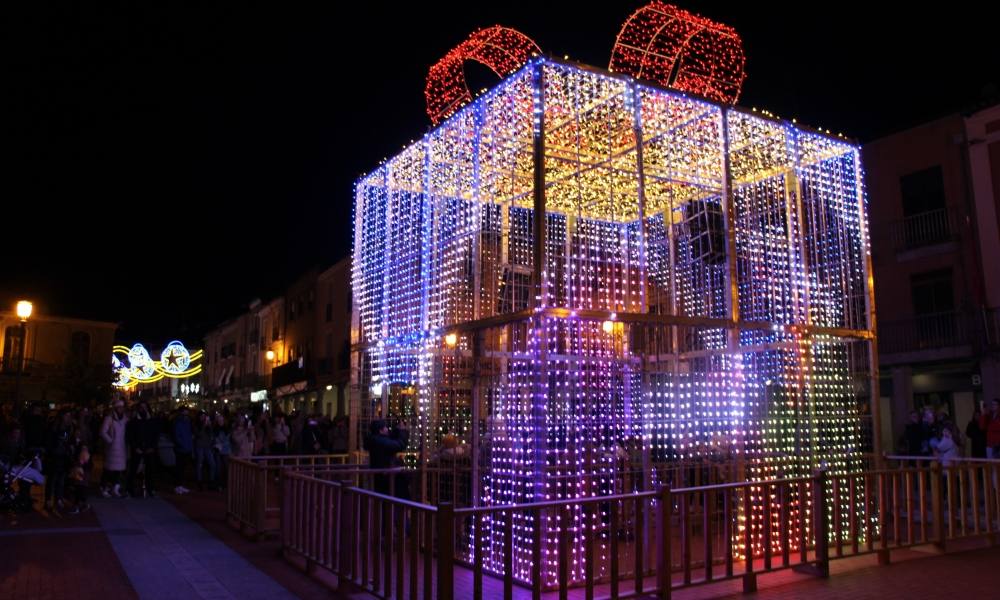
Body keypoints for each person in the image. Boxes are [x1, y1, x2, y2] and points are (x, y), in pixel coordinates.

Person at [365, 419, 409, 497]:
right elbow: (399, 445)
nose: (387, 429)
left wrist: (397, 430)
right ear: (380, 430)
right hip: (386, 476)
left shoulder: (376, 439)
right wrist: (402, 431)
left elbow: (390, 437)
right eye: (385, 427)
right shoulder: (380, 441)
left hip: (383, 474)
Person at [126, 402, 159, 498]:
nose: (143, 409)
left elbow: (155, 435)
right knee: (133, 469)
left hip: (149, 449)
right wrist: (135, 447)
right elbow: (130, 436)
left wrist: (152, 447)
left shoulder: (152, 421)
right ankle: (130, 489)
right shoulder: (133, 422)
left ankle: (150, 488)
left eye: (145, 407)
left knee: (150, 470)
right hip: (137, 449)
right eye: (141, 407)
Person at [100, 399, 129, 498]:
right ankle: (104, 487)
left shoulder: (125, 419)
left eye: (122, 407)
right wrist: (110, 440)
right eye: (119, 407)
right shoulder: (109, 418)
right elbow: (103, 432)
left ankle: (115, 488)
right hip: (112, 448)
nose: (121, 409)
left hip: (122, 448)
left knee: (119, 470)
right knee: (109, 469)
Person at [193, 412, 218, 491]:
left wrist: (209, 425)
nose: (203, 418)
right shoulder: (196, 425)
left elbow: (211, 435)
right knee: (199, 464)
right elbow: (199, 434)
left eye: (205, 417)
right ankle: (199, 481)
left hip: (207, 447)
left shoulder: (208, 425)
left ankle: (211, 480)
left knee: (212, 464)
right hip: (199, 446)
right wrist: (204, 425)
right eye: (202, 416)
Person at [172, 406, 194, 494]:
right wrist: (182, 445)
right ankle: (178, 486)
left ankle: (181, 485)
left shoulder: (187, 422)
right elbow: (177, 436)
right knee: (179, 468)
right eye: (185, 412)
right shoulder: (178, 422)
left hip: (186, 447)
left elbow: (188, 434)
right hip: (181, 448)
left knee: (183, 468)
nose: (186, 414)